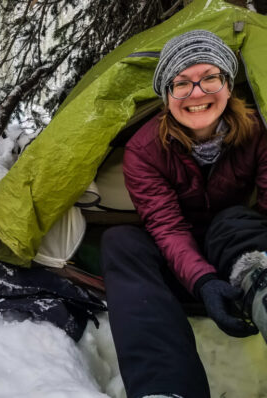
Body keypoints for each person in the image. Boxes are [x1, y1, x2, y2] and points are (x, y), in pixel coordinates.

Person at [101, 30, 267, 398]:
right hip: (178, 258)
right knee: (121, 242)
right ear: (166, 94)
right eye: (181, 83)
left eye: (210, 77)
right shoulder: (144, 149)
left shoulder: (258, 131)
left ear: (228, 82)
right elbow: (167, 227)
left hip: (236, 246)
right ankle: (165, 388)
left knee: (232, 221)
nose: (197, 93)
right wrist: (204, 282)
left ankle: (263, 290)